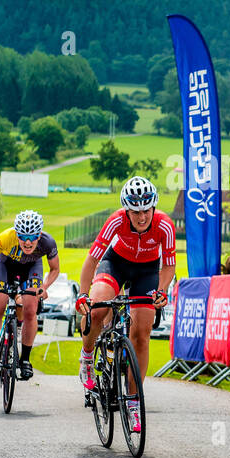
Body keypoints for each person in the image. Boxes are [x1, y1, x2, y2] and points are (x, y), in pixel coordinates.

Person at [75, 178, 176, 431]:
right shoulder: (116, 221)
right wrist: (83, 294)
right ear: (126, 210)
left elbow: (169, 265)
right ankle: (87, 357)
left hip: (147, 271)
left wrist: (161, 291)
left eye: (146, 210)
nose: (141, 217)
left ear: (153, 207)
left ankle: (133, 402)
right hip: (116, 263)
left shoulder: (164, 224)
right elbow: (92, 259)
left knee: (142, 334)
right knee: (98, 308)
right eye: (135, 211)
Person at [0, 209, 60, 381]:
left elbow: (55, 269)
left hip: (32, 267)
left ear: (40, 235)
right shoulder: (6, 237)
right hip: (5, 265)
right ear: (17, 235)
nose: (28, 242)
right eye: (23, 237)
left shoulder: (48, 242)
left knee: (30, 310)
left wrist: (44, 287)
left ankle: (25, 360)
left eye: (33, 237)